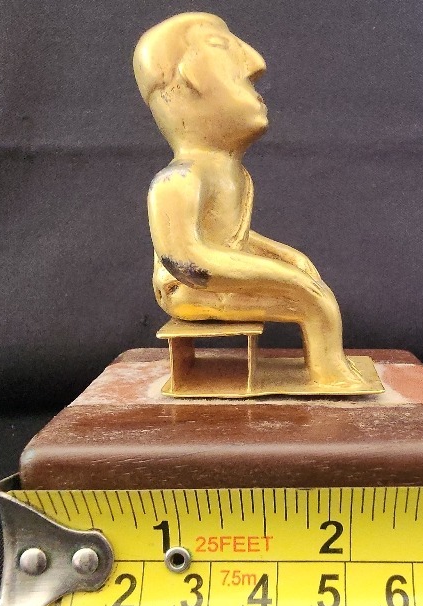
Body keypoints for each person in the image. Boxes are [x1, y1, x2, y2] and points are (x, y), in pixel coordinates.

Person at [134, 13, 366, 390]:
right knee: (313, 302)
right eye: (221, 46)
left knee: (306, 280)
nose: (255, 63)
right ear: (187, 80)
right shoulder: (178, 179)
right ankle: (331, 375)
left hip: (212, 278)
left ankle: (328, 369)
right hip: (189, 289)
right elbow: (186, 260)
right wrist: (293, 282)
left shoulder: (235, 175)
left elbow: (232, 241)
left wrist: (287, 260)